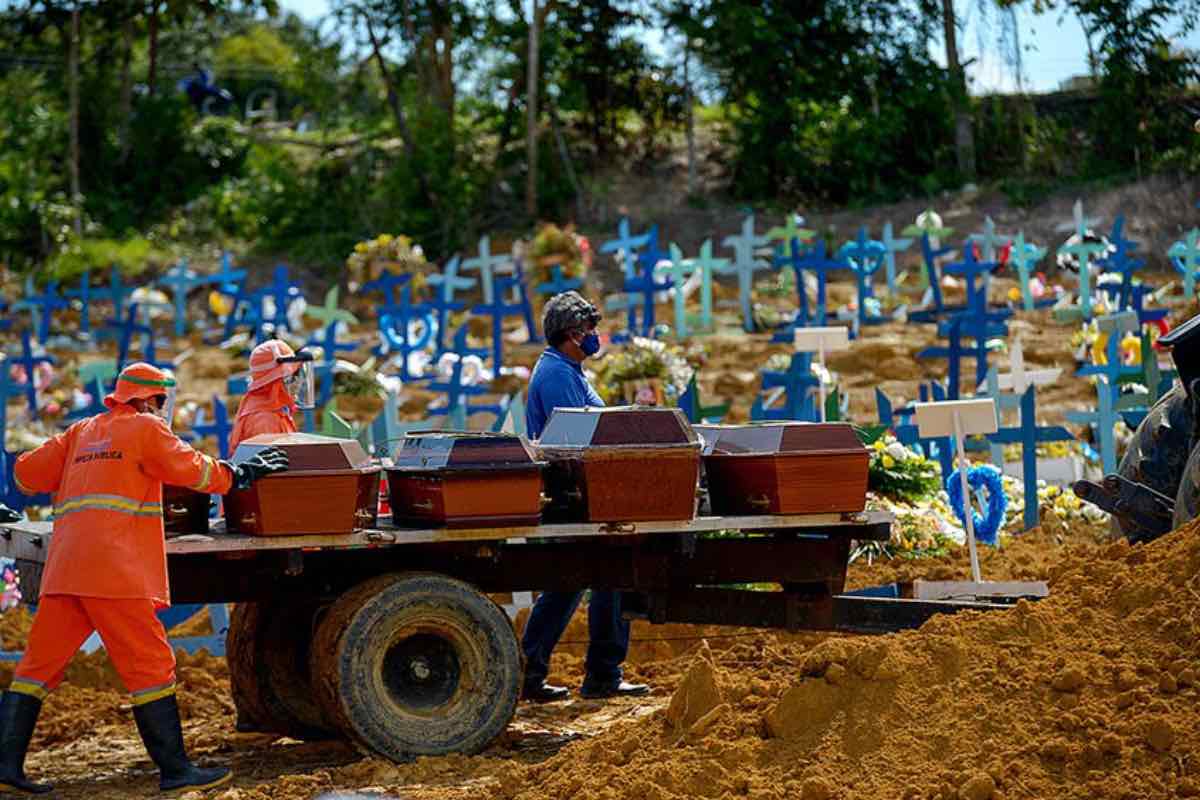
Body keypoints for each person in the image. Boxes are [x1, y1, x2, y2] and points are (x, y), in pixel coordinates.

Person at [0, 362, 288, 795]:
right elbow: (196, 471)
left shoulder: (80, 432)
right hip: (115, 571)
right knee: (151, 667)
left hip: (66, 569)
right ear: (152, 399)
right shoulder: (146, 430)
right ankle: (175, 770)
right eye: (162, 401)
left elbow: (25, 474)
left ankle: (5, 768)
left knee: (35, 669)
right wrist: (240, 473)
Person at [520, 292, 650, 702]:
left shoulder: (568, 369)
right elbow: (582, 436)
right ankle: (602, 675)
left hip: (582, 491)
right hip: (576, 493)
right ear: (571, 334)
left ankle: (531, 672)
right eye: (590, 329)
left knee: (568, 586)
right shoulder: (558, 375)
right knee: (607, 576)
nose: (596, 336)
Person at [230, 339, 314, 450]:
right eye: (291, 377)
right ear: (275, 382)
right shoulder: (265, 420)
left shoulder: (273, 406)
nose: (298, 383)